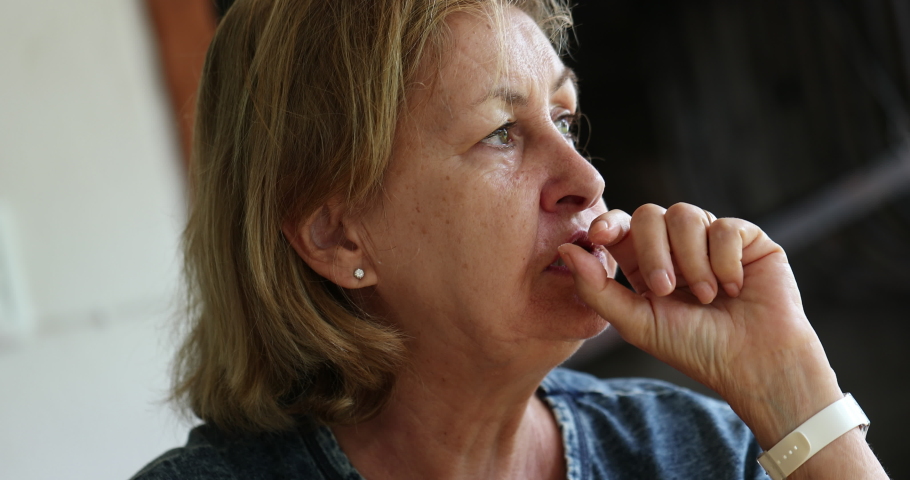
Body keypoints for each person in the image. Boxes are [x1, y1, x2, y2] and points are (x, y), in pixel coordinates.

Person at [133, 0, 889, 478]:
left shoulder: (686, 450)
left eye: (562, 119)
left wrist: (792, 389)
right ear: (335, 235)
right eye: (501, 133)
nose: (586, 179)